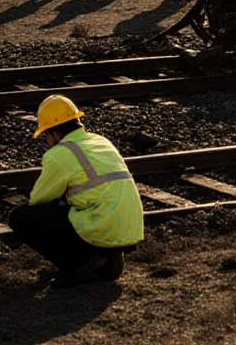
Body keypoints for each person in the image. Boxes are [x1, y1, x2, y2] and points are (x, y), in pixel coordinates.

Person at [8, 94, 144, 288]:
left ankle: (78, 264)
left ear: (55, 133)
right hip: (128, 226)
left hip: (101, 224)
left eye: (46, 135)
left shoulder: (60, 153)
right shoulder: (101, 141)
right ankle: (108, 259)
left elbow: (38, 199)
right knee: (74, 204)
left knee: (21, 217)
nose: (47, 141)